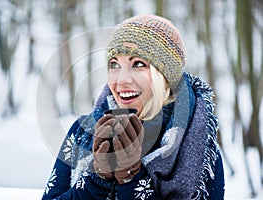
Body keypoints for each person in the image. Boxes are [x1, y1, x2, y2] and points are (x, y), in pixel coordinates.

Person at [42, 15, 225, 200]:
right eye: (114, 64)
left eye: (138, 64)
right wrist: (96, 180)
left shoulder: (198, 146)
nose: (121, 79)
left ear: (165, 76)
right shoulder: (83, 132)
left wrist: (132, 179)